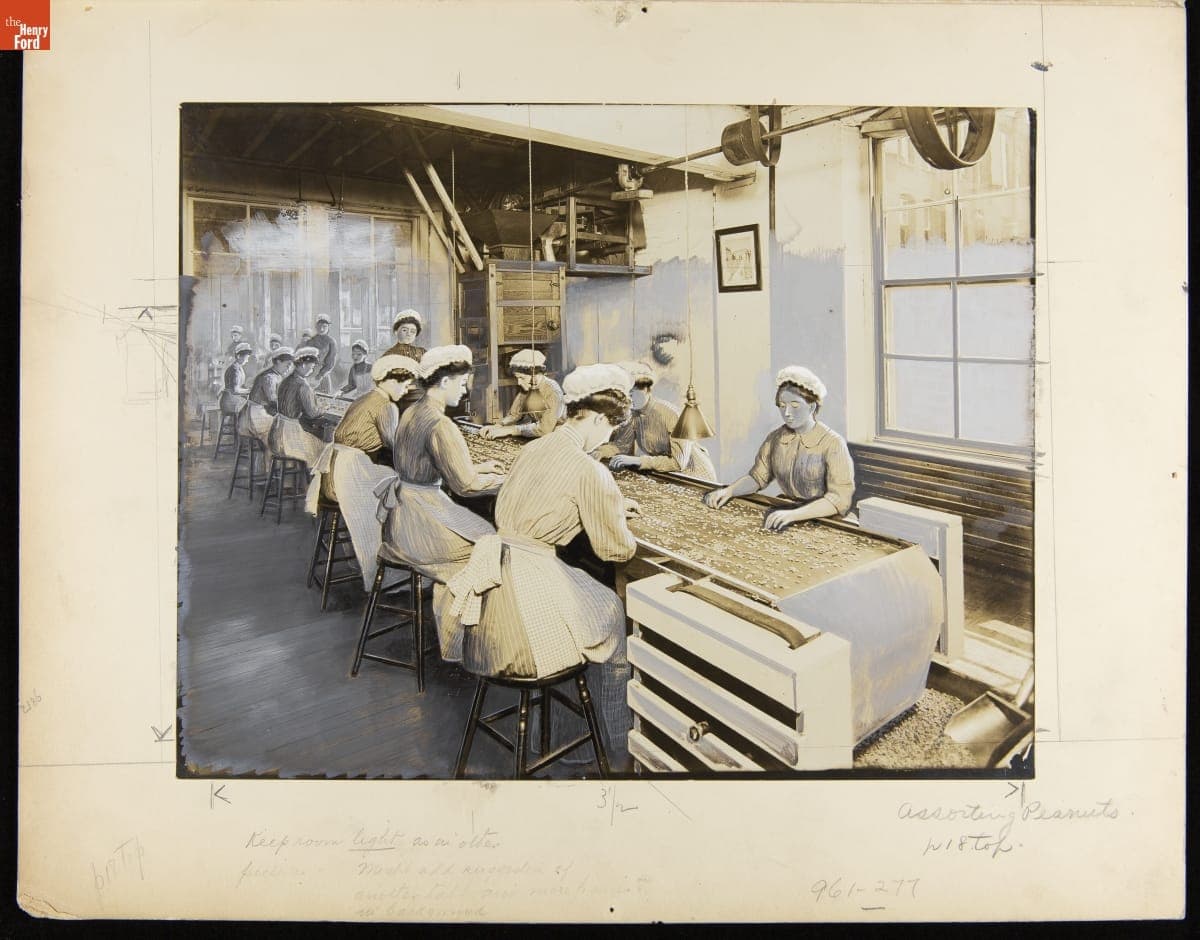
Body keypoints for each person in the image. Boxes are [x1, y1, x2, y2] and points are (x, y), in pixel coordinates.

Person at [439, 363, 641, 769]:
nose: (608, 440)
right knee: (614, 613)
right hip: (528, 591)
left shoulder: (533, 448)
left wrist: (600, 506)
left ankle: (564, 730)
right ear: (599, 419)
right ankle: (617, 740)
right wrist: (613, 510)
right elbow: (616, 552)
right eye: (610, 431)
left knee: (584, 595)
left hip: (499, 572)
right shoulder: (590, 470)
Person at [377, 345, 505, 639]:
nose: (464, 391)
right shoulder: (440, 423)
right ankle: (467, 636)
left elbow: (432, 463)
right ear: (445, 382)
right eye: (461, 383)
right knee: (491, 546)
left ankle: (458, 624)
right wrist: (508, 481)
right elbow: (465, 486)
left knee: (484, 534)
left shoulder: (413, 411)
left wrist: (479, 467)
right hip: (421, 523)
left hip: (404, 514)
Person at [702, 365, 854, 529]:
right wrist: (729, 491)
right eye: (782, 405)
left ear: (812, 406)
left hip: (826, 520)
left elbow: (839, 500)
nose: (787, 412)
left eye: (795, 405)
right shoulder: (775, 438)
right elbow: (758, 477)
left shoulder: (833, 443)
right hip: (786, 513)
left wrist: (794, 515)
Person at [595, 360, 717, 481]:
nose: (629, 399)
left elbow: (678, 463)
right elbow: (622, 446)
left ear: (647, 390)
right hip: (668, 474)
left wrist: (639, 460)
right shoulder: (632, 413)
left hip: (695, 474)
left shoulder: (670, 414)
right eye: (625, 394)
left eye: (632, 393)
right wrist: (601, 452)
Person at [333, 354, 420, 466]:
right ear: (393, 382)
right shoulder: (387, 405)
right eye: (406, 386)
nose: (406, 391)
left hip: (337, 461)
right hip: (358, 465)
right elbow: (393, 443)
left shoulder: (363, 398)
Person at [477, 348, 565, 439]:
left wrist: (511, 430)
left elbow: (544, 429)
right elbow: (514, 415)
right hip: (541, 437)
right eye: (517, 378)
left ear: (535, 375)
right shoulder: (526, 388)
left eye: (522, 378)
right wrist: (499, 425)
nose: (519, 382)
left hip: (558, 437)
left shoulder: (552, 391)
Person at [277, 346, 335, 439]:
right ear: (303, 365)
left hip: (281, 427)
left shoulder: (286, 381)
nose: (312, 370)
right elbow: (312, 413)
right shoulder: (303, 385)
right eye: (311, 367)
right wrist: (324, 408)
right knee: (331, 426)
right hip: (295, 430)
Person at [241, 346, 293, 444]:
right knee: (290, 426)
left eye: (290, 365)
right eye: (287, 365)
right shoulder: (269, 377)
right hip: (257, 415)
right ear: (278, 362)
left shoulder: (277, 375)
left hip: (262, 412)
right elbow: (273, 401)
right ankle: (279, 453)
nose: (289, 368)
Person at [218, 342, 254, 415]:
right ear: (238, 356)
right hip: (230, 402)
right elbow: (235, 390)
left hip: (232, 399)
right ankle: (244, 425)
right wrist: (249, 391)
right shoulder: (234, 370)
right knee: (253, 405)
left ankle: (245, 424)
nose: (247, 361)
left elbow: (240, 386)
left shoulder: (238, 368)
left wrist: (248, 388)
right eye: (246, 358)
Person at [309, 314, 339, 393]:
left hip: (323, 376)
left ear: (328, 327)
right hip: (310, 374)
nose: (321, 329)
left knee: (324, 400)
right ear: (316, 326)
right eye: (319, 326)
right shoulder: (311, 341)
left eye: (324, 326)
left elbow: (330, 363)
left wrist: (320, 376)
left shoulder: (331, 342)